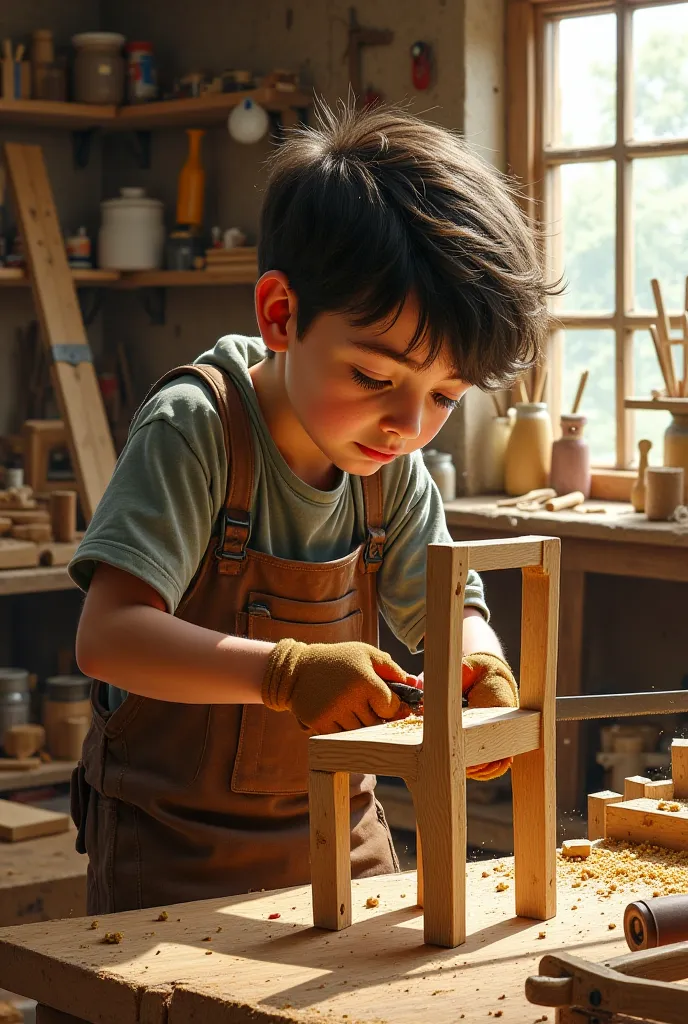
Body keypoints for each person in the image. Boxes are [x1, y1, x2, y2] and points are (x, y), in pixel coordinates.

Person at [69, 100, 550, 914]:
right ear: (281, 315)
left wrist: (480, 667)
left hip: (344, 834)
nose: (407, 425)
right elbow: (108, 637)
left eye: (445, 397)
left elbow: (450, 606)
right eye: (374, 377)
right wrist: (282, 672)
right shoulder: (198, 428)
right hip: (173, 850)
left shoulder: (386, 462)